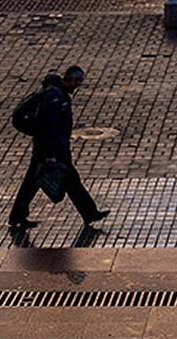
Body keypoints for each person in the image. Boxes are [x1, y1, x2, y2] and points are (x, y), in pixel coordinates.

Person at [8, 65, 109, 231]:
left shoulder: (59, 95)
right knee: (60, 181)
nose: (78, 85)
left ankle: (17, 216)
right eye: (78, 82)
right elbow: (50, 128)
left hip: (52, 149)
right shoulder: (55, 98)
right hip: (51, 150)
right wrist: (50, 154)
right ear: (71, 79)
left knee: (43, 182)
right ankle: (89, 212)